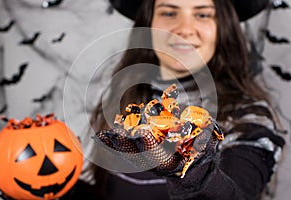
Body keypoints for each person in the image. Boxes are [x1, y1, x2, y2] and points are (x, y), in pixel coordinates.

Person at [82, 0, 285, 200]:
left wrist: (191, 172)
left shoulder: (249, 117)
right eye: (169, 13)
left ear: (223, 27)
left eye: (202, 14)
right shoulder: (128, 100)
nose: (184, 29)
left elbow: (237, 194)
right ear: (148, 22)